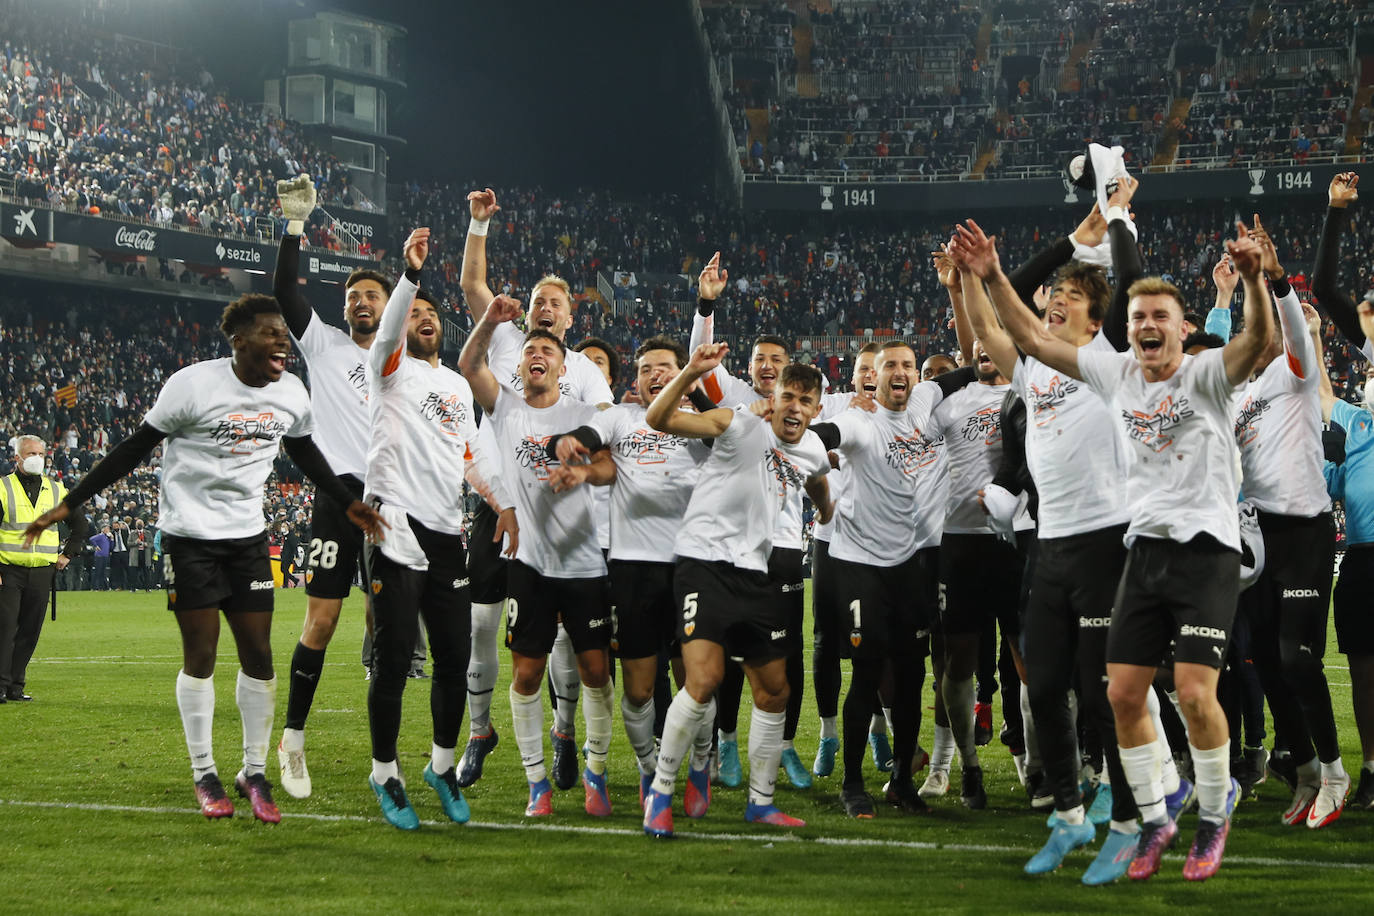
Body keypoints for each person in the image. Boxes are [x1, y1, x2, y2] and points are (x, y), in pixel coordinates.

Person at [963, 215, 1273, 882]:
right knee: (1102, 692)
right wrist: (984, 275)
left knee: (1181, 693)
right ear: (1127, 330)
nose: (1148, 326)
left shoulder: (1202, 374)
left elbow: (1258, 343)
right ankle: (1135, 817)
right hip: (1109, 550)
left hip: (1179, 548)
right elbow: (1013, 332)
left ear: (1180, 327)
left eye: (1160, 315)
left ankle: (1193, 816)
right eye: (1140, 318)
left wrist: (1250, 278)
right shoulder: (1111, 375)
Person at [24, 295, 385, 823]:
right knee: (202, 652)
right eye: (269, 333)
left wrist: (344, 498)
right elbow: (134, 447)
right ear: (239, 341)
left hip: (248, 537)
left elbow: (304, 450)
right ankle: (204, 773)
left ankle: (254, 772)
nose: (282, 340)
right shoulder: (192, 385)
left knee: (259, 656)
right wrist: (69, 502)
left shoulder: (291, 391)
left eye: (284, 333)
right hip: (189, 536)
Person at [954, 192, 1188, 883]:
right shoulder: (1033, 369)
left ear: (1096, 315)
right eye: (1051, 298)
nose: (1054, 304)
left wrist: (1110, 225)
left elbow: (1026, 321)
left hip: (1104, 544)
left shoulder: (1110, 363)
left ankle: (1127, 822)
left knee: (1101, 689)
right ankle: (1068, 810)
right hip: (1049, 548)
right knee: (1044, 684)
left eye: (1068, 299)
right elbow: (1000, 330)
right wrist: (980, 275)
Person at [641, 344, 832, 838]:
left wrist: (826, 508)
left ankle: (761, 802)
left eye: (804, 401)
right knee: (703, 681)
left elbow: (818, 485)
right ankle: (661, 792)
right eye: (787, 396)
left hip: (760, 575)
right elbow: (659, 418)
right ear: (774, 398)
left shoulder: (811, 449)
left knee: (775, 690)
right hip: (705, 565)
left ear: (816, 410)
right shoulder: (736, 424)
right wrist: (690, 373)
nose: (794, 407)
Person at [458, 188, 614, 791]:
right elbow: (475, 289)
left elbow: (605, 438)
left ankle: (564, 735)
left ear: (571, 319)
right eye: (538, 302)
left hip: (559, 514)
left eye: (556, 304)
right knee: (481, 624)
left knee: (563, 644)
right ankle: (479, 734)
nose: (545, 309)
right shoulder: (503, 341)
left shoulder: (585, 371)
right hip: (495, 502)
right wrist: (477, 225)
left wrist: (578, 465)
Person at [363, 227, 515, 830]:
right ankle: (385, 773)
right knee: (396, 661)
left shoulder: (454, 385)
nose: (424, 318)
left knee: (454, 659)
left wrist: (503, 505)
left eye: (431, 313)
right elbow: (389, 329)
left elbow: (475, 455)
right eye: (415, 313)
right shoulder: (388, 367)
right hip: (394, 524)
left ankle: (442, 766)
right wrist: (411, 277)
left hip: (446, 534)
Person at [805, 341, 974, 817]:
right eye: (889, 367)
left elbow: (964, 371)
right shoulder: (861, 421)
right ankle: (853, 782)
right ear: (872, 379)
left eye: (907, 365)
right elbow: (822, 434)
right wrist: (799, 432)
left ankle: (902, 779)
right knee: (865, 673)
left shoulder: (923, 400)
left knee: (911, 674)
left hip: (908, 566)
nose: (900, 372)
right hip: (860, 566)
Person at [271, 174, 397, 799]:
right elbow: (285, 293)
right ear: (344, 308)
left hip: (391, 496)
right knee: (320, 621)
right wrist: (294, 226)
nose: (362, 302)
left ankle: (388, 757)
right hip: (335, 494)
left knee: (389, 623)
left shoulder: (408, 363)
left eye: (373, 294)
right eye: (354, 296)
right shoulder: (322, 344)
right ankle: (292, 739)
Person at [547, 335, 713, 805]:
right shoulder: (619, 418)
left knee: (695, 683)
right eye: (645, 368)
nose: (653, 374)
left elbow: (724, 436)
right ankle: (649, 769)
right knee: (639, 692)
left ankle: (701, 762)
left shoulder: (703, 425)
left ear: (682, 376)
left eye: (664, 367)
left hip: (690, 569)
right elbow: (589, 439)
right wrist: (570, 450)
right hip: (633, 570)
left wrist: (694, 384)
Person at [1234, 218, 1347, 828]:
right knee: (1269, 664)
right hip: (1257, 536)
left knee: (1298, 658)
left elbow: (1296, 331)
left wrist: (1276, 279)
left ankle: (1334, 770)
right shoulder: (1241, 391)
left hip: (1304, 531)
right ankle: (1303, 767)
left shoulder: (1295, 373)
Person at [691, 252, 812, 790]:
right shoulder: (737, 400)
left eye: (775, 360)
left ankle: (783, 746)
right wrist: (707, 305)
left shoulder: (810, 404)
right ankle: (727, 745)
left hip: (786, 543)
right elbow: (700, 360)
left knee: (785, 654)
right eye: (759, 359)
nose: (766, 366)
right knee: (735, 652)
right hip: (736, 547)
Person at [1312, 170, 1374, 810]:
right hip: (1360, 554)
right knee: (1362, 667)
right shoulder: (1356, 419)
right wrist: (1335, 213)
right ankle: (1373, 769)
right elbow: (1328, 289)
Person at [1, 435, 88, 703]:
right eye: (31, 453)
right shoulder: (3, 488)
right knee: (5, 629)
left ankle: (16, 686)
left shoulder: (56, 489)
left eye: (40, 453)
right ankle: (1, 686)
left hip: (42, 571)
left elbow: (81, 525)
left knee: (30, 630)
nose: (37, 458)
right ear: (17, 458)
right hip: (8, 570)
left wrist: (68, 554)